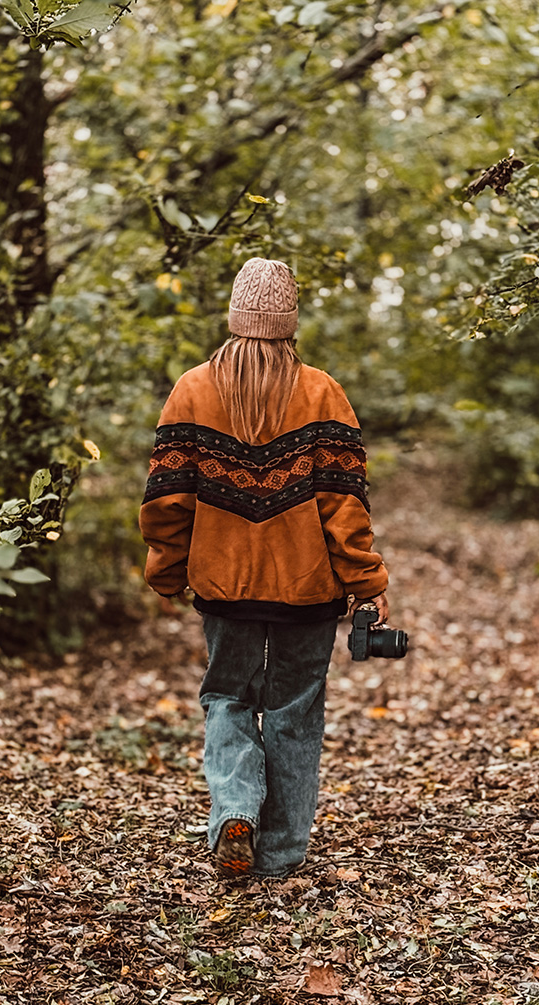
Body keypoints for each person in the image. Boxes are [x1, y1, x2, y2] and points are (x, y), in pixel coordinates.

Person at [139, 257, 389, 879]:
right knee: (295, 710)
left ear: (234, 318)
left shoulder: (192, 390)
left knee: (227, 696)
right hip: (309, 590)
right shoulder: (322, 392)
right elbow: (344, 503)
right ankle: (279, 854)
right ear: (290, 323)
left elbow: (168, 500)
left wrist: (167, 570)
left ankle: (234, 812)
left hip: (223, 588)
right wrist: (367, 584)